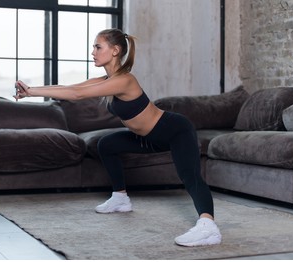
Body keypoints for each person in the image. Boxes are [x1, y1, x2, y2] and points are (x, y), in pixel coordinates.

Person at [15, 28, 222, 247]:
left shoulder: (124, 80)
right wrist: (30, 91)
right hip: (149, 138)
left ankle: (208, 228)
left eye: (97, 47)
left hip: (174, 130)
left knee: (189, 176)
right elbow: (71, 88)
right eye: (93, 47)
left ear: (114, 50)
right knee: (106, 144)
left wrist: (33, 92)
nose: (92, 52)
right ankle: (120, 198)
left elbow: (77, 95)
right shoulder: (107, 79)